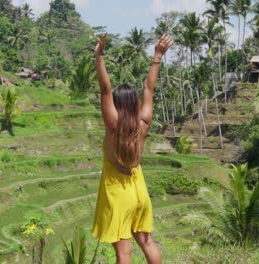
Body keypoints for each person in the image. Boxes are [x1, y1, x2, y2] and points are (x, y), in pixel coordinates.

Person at [92, 33, 173, 264]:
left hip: (119, 195)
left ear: (116, 106)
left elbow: (105, 90)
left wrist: (99, 57)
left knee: (124, 254)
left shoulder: (113, 126)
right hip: (139, 192)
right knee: (148, 243)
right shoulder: (143, 124)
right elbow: (149, 88)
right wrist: (157, 56)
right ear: (135, 103)